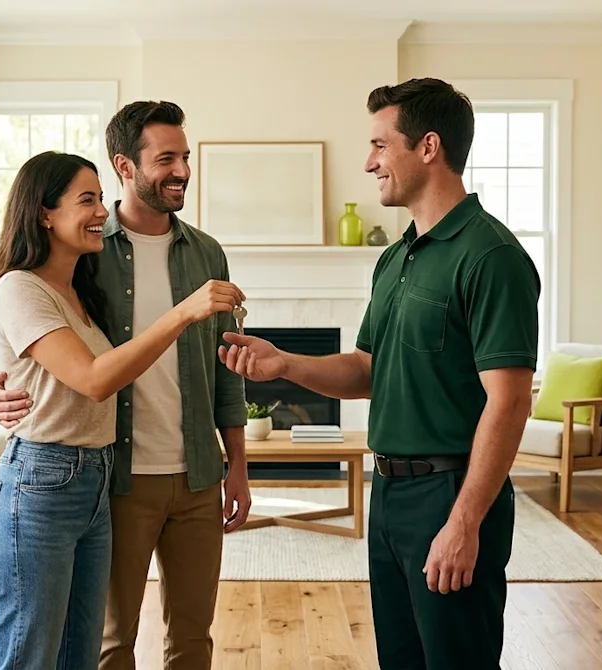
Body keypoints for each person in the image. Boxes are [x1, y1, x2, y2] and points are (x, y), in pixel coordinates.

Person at [218, 78, 540, 669]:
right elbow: (367, 368)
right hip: (388, 493)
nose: (369, 163)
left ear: (428, 147)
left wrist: (464, 521)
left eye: (380, 145)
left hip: (451, 493)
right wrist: (284, 363)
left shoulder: (491, 257)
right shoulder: (395, 258)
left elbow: (510, 402)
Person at [0, 101, 253, 670]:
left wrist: (238, 465)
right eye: (166, 158)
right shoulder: (86, 252)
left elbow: (225, 369)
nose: (182, 170)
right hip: (115, 477)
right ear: (125, 166)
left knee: (190, 639)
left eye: (185, 157)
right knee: (106, 643)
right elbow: (49, 347)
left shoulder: (206, 253)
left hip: (196, 473)